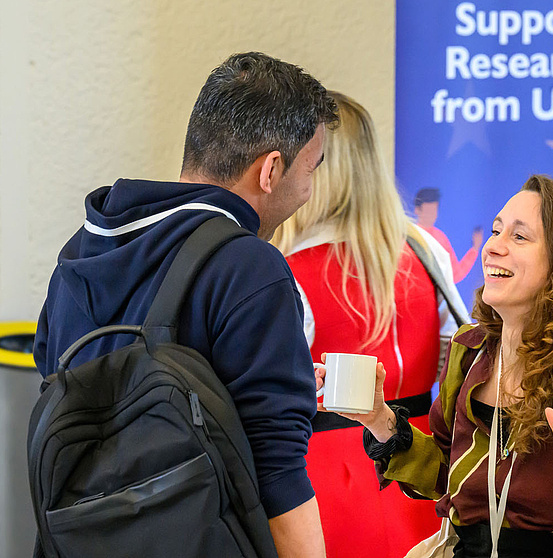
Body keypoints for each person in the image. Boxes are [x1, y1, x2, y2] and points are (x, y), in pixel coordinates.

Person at [33, 52, 338, 558]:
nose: (308, 189)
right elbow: (276, 470)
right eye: (311, 169)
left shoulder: (82, 253)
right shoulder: (247, 267)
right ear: (270, 170)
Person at [320, 175, 553, 558]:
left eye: (519, 236)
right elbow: (446, 474)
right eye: (496, 231)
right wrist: (380, 419)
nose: (493, 246)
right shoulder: (471, 349)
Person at [271, 91, 468, 558]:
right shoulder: (424, 248)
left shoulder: (284, 267)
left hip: (323, 486)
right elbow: (458, 361)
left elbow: (269, 401)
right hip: (424, 472)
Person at [414, 187, 484, 283]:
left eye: (434, 210)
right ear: (417, 210)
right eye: (428, 211)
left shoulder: (440, 238)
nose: (432, 215)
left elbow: (455, 275)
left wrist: (475, 249)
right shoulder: (409, 236)